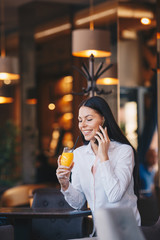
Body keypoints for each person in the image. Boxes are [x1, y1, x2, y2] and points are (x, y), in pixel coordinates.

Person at [56, 96, 141, 226]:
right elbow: (78, 203)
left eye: (89, 119)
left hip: (126, 230)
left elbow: (114, 196)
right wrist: (65, 184)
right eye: (80, 120)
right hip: (100, 230)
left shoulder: (124, 151)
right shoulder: (79, 154)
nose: (83, 125)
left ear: (103, 119)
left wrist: (103, 156)